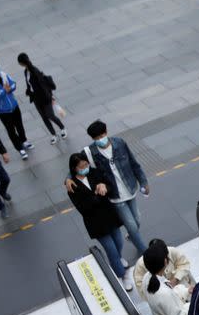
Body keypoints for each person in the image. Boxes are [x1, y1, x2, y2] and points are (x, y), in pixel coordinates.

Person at [65, 120, 149, 257]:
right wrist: (68, 178)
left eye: (101, 136)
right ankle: (144, 251)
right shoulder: (90, 151)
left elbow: (134, 163)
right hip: (115, 196)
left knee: (137, 220)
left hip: (130, 189)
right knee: (131, 225)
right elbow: (76, 163)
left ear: (106, 132)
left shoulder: (120, 143)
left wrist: (144, 182)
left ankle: (132, 236)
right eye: (96, 138)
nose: (100, 140)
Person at [66, 153, 127, 278]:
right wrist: (97, 195)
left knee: (119, 242)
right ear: (74, 168)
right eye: (81, 166)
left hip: (110, 216)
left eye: (86, 164)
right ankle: (121, 275)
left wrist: (105, 186)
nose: (85, 167)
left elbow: (110, 186)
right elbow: (82, 207)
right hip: (96, 223)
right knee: (111, 250)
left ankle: (118, 260)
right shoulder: (72, 185)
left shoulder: (95, 173)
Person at [0, 57, 33, 160]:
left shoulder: (3, 74)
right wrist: (4, 91)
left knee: (19, 125)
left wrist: (10, 88)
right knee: (11, 130)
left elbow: (13, 83)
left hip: (14, 106)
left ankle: (24, 140)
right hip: (3, 111)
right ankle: (20, 149)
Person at [17, 53, 66, 144]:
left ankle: (62, 128)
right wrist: (28, 91)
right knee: (44, 117)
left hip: (45, 97)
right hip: (36, 98)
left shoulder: (35, 71)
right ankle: (53, 134)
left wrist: (50, 96)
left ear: (21, 63)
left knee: (50, 115)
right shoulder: (26, 71)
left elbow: (43, 85)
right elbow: (29, 84)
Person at [142, 243, 191, 315]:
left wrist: (186, 291)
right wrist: (193, 304)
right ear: (165, 261)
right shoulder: (164, 294)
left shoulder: (147, 278)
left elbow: (170, 295)